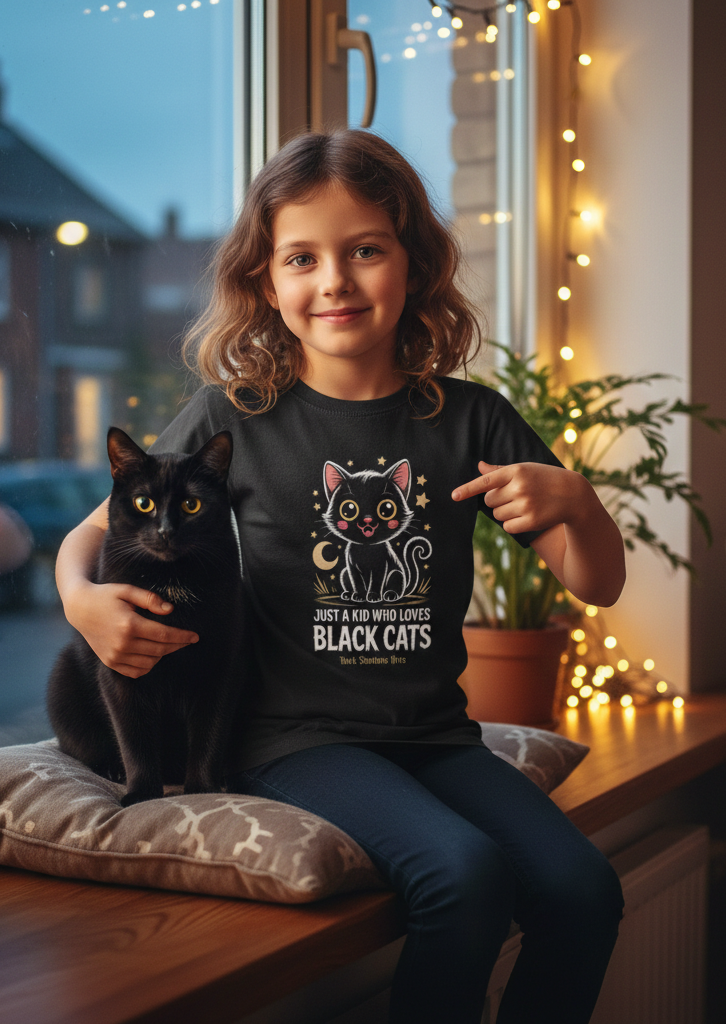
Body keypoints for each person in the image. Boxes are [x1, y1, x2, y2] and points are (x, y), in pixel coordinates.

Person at [56, 129, 626, 1024]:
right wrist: (82, 602)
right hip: (293, 740)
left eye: (366, 249)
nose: (335, 281)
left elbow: (596, 584)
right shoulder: (233, 414)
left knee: (585, 892)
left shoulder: (469, 418)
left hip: (436, 735)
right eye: (302, 257)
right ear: (265, 280)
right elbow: (91, 536)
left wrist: (581, 504)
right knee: (464, 878)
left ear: (415, 261)